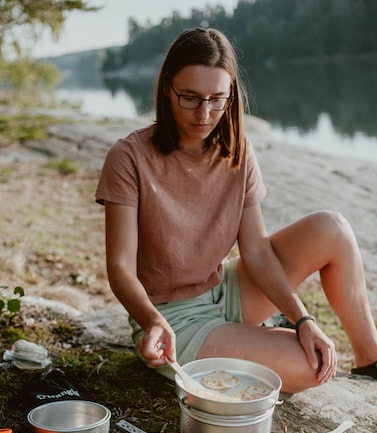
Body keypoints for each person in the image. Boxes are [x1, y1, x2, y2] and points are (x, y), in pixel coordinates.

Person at [95, 27, 377, 393]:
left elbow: (256, 252)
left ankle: (371, 364)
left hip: (224, 288)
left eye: (217, 99)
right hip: (173, 318)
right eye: (190, 98)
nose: (205, 113)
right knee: (311, 368)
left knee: (332, 228)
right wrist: (150, 321)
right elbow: (119, 268)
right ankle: (246, 339)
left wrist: (303, 319)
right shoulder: (128, 157)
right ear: (167, 89)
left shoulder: (237, 151)